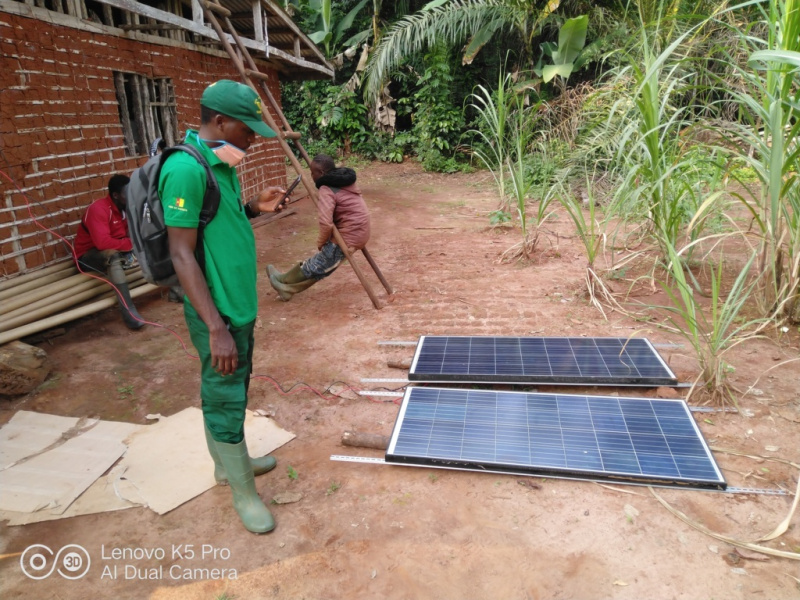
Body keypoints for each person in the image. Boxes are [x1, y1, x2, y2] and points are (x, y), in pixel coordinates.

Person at [158, 79, 286, 534]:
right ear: (219, 121)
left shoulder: (222, 164)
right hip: (218, 311)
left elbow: (217, 221)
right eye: (247, 129)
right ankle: (242, 490)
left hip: (238, 304)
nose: (252, 138)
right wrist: (215, 326)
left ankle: (228, 464)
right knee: (225, 392)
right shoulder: (186, 170)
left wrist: (254, 207)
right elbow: (181, 253)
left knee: (236, 384)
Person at [267, 154, 370, 301]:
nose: (311, 175)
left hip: (349, 236)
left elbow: (326, 222)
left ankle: (285, 285)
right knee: (322, 263)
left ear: (321, 174)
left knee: (318, 265)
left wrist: (321, 242)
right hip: (361, 231)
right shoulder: (346, 180)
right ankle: (284, 281)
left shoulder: (327, 189)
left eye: (312, 173)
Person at [74, 174, 145, 330]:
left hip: (118, 249)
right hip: (88, 256)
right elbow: (102, 243)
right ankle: (129, 312)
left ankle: (175, 289)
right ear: (116, 195)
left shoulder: (126, 208)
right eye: (128, 194)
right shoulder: (99, 209)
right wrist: (131, 243)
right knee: (112, 256)